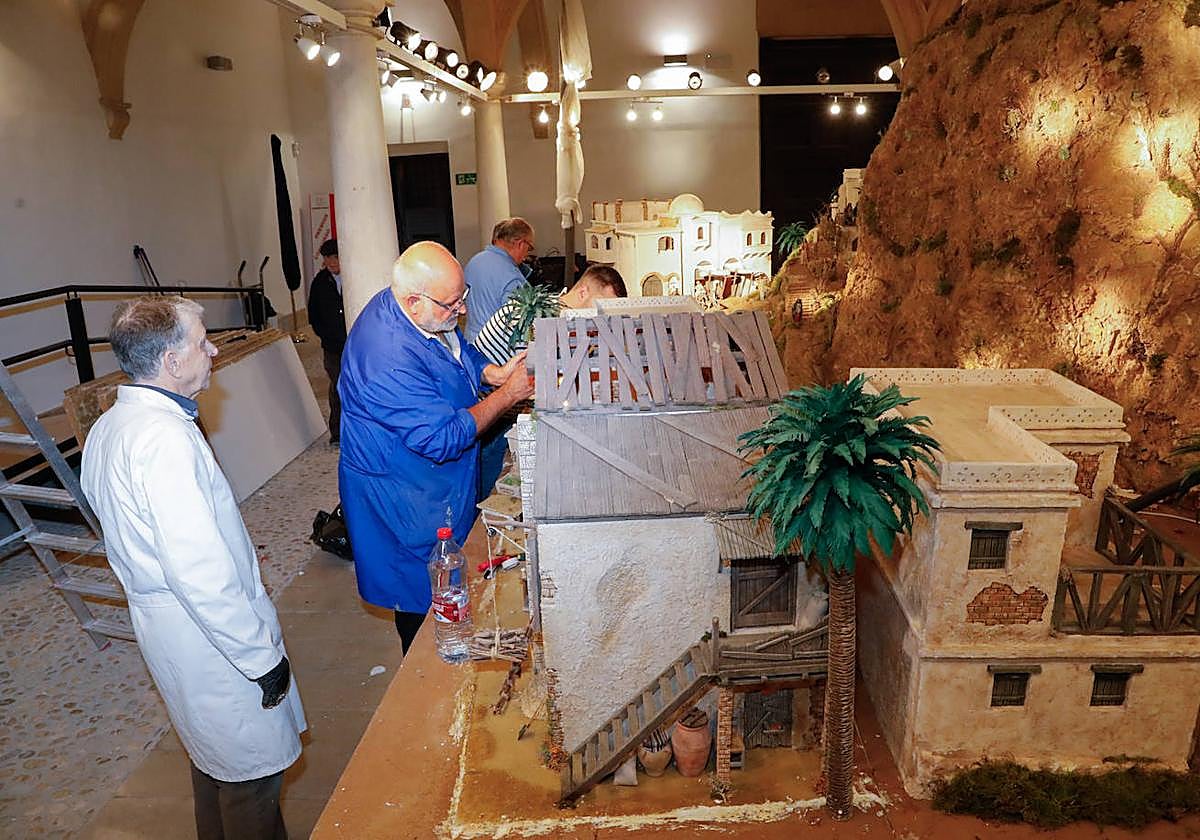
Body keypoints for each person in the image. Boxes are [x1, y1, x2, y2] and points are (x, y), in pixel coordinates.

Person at [81, 296, 305, 840]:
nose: (212, 351)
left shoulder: (112, 424)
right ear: (171, 361)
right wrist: (261, 658)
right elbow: (199, 572)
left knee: (214, 765)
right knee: (252, 779)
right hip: (214, 642)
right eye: (201, 342)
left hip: (173, 631)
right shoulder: (164, 440)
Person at [337, 242, 535, 653]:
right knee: (422, 598)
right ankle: (423, 671)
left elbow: (458, 351)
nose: (461, 312)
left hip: (429, 483)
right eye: (452, 304)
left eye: (462, 299)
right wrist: (508, 395)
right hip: (404, 496)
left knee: (447, 583)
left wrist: (493, 374)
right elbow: (443, 438)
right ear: (413, 301)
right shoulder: (385, 355)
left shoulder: (422, 311)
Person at [471, 264, 628, 499]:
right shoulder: (534, 318)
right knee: (499, 492)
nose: (600, 318)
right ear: (583, 292)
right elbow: (533, 384)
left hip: (505, 412)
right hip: (492, 421)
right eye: (599, 308)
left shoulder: (556, 312)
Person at [463, 217, 535, 341]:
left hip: (470, 343)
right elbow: (520, 325)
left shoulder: (473, 262)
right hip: (496, 350)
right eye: (529, 248)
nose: (526, 255)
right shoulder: (512, 277)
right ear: (520, 244)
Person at [307, 238, 345, 444]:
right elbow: (314, 313)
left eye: (335, 257)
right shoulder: (320, 282)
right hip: (333, 346)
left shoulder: (356, 276)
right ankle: (337, 432)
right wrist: (325, 334)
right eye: (327, 258)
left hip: (354, 342)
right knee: (337, 386)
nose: (331, 262)